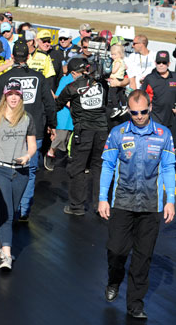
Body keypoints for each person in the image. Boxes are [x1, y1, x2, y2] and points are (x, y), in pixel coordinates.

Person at [98, 90, 175, 320]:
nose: (139, 116)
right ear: (128, 111)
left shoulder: (164, 134)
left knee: (143, 258)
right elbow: (108, 167)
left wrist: (170, 200)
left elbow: (169, 168)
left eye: (143, 111)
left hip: (151, 206)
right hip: (122, 201)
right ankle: (114, 279)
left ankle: (135, 305)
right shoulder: (117, 133)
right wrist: (103, 197)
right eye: (134, 112)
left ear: (150, 108)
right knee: (116, 250)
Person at [0, 41, 57, 220]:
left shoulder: (4, 78)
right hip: (33, 130)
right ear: (29, 57)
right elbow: (50, 103)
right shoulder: (38, 77)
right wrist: (52, 124)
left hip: (9, 130)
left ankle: (11, 207)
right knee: (29, 170)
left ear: (12, 57)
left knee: (6, 167)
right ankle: (23, 209)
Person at [0, 80, 37, 270]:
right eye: (10, 94)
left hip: (21, 172)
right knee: (7, 213)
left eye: (17, 94)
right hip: (0, 169)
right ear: (5, 95)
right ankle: (7, 255)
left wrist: (27, 156)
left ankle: (2, 246)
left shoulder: (27, 118)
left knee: (12, 212)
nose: (14, 97)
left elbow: (32, 145)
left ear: (21, 96)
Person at [55, 57, 108, 215]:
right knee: (98, 167)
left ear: (73, 73)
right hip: (102, 131)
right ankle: (100, 204)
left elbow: (57, 105)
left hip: (83, 131)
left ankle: (77, 206)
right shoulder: (101, 84)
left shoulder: (72, 86)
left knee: (77, 168)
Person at [141, 50, 176, 135]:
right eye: (158, 62)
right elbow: (142, 98)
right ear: (155, 63)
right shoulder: (149, 79)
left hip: (172, 119)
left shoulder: (175, 76)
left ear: (169, 64)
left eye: (164, 62)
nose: (161, 65)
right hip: (155, 118)